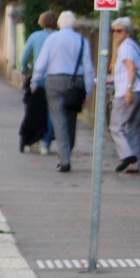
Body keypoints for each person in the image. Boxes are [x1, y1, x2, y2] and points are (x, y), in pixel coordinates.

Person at [31, 10, 95, 173]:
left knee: (58, 119)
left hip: (55, 81)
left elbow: (41, 62)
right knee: (71, 117)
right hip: (76, 83)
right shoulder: (82, 41)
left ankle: (64, 159)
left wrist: (35, 80)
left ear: (59, 24)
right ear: (74, 24)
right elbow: (88, 67)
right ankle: (67, 150)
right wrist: (88, 90)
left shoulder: (52, 39)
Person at [108, 17, 140, 174]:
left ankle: (127, 156)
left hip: (127, 92)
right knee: (133, 127)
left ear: (128, 32)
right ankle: (134, 164)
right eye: (114, 31)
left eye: (119, 31)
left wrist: (128, 89)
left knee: (115, 126)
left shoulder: (125, 48)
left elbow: (131, 68)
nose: (115, 34)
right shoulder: (133, 46)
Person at [18, 10, 57, 153]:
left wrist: (24, 69)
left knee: (34, 109)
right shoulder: (59, 37)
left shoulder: (35, 36)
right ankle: (46, 143)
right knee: (52, 111)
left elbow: (24, 58)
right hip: (55, 78)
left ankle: (34, 136)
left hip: (38, 79)